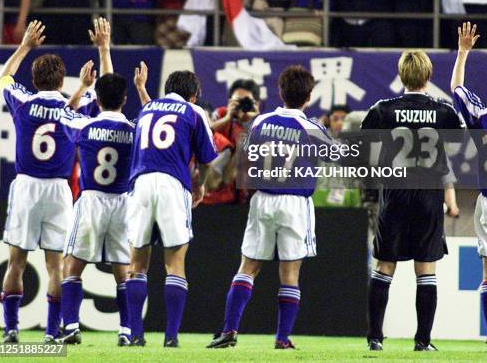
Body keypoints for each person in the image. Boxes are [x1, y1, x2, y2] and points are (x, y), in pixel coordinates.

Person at [207, 65, 331, 349]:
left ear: (280, 92)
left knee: (248, 266)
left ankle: (229, 331)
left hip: (262, 198)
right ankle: (282, 338)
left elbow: (246, 155)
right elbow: (335, 155)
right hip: (295, 202)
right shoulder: (311, 127)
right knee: (290, 273)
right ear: (309, 96)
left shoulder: (261, 122)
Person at [0, 19, 102, 344]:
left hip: (27, 186)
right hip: (58, 190)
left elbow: (4, 77)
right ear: (61, 81)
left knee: (16, 261)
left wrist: (26, 46)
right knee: (55, 265)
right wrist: (101, 52)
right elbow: (104, 89)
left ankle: (12, 330)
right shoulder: (77, 105)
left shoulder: (24, 103)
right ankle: (51, 332)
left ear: (34, 79)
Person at [361, 50, 463, 352]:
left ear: (402, 75)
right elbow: (455, 152)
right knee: (426, 268)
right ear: (428, 76)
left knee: (384, 265)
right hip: (429, 196)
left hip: (394, 193)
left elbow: (364, 149)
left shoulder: (382, 109)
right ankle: (423, 342)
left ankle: (375, 338)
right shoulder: (444, 112)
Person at [127, 66, 217, 346]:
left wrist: (141, 89)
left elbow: (153, 119)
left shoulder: (148, 109)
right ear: (193, 96)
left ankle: (136, 335)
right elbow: (206, 158)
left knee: (137, 264)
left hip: (140, 183)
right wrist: (200, 184)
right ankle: (170, 337)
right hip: (172, 184)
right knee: (174, 264)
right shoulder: (194, 112)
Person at [59, 21, 135, 347]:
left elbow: (63, 113)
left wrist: (80, 89)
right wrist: (105, 49)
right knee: (123, 269)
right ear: (125, 98)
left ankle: (71, 326)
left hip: (90, 199)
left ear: (97, 98)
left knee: (73, 264)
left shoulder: (85, 127)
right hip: (122, 201)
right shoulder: (134, 130)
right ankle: (127, 331)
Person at [450, 21, 487, 335]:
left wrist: (463, 54)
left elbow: (457, 91)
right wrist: (462, 53)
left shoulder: (481, 114)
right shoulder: (481, 114)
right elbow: (457, 92)